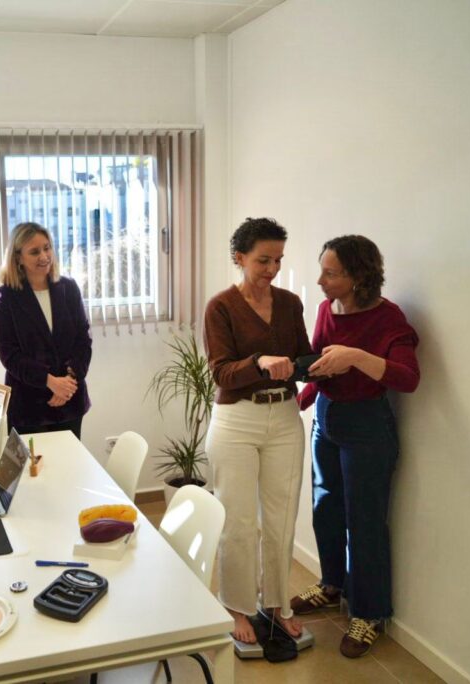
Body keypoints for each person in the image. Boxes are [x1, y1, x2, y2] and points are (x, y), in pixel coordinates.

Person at [292, 235, 420, 658]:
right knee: (325, 508)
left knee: (364, 523)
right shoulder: (328, 309)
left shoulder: (389, 318)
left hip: (367, 426)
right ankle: (332, 584)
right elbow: (319, 366)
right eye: (322, 270)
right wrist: (297, 405)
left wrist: (356, 356)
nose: (320, 280)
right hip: (327, 419)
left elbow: (408, 377)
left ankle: (368, 614)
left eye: (330, 273)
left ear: (358, 276)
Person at [203, 217, 313, 646]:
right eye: (263, 260)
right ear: (240, 258)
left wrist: (319, 363)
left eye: (278, 260)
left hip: (284, 418)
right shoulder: (221, 307)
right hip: (237, 421)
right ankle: (236, 605)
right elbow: (221, 373)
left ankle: (277, 605)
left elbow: (301, 356)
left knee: (282, 520)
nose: (272, 269)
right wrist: (260, 362)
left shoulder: (289, 303)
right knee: (239, 521)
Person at [0, 222, 92, 438]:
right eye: (35, 251)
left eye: (47, 248)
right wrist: (50, 382)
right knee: (31, 470)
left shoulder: (69, 288)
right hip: (28, 406)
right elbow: (9, 354)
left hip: (70, 400)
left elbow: (83, 339)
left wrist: (68, 382)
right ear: (18, 258)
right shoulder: (6, 297)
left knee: (69, 469)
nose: (44, 256)